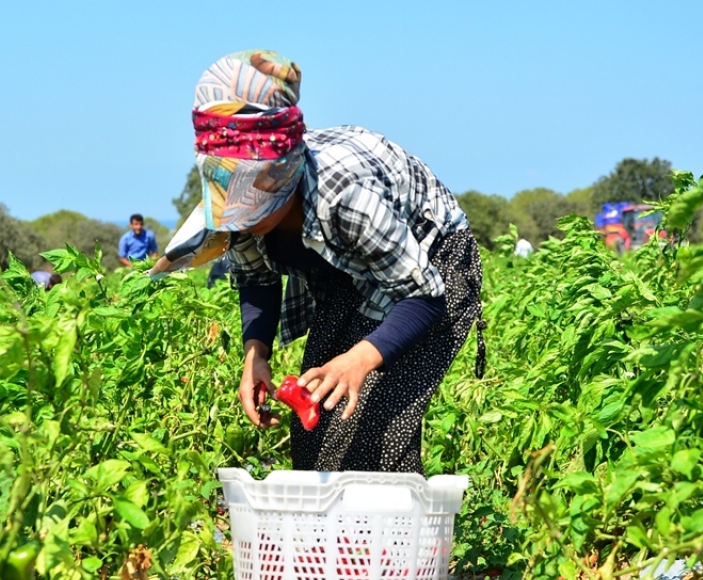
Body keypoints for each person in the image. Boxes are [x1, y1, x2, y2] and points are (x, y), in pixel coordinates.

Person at [153, 50, 485, 473]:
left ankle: (392, 536)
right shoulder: (237, 213)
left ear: (285, 181)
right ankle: (326, 535)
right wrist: (256, 354)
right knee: (316, 425)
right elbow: (257, 279)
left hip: (429, 265)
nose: (244, 225)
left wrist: (361, 358)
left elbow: (425, 296)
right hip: (347, 274)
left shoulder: (346, 199)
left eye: (253, 211)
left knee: (374, 429)